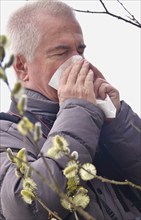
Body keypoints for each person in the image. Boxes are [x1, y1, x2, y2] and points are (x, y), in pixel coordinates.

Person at [0, 0, 141, 219]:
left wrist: (118, 123)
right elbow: (26, 207)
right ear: (22, 67)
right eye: (61, 52)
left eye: (80, 51)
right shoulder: (7, 134)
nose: (78, 63)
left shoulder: (99, 123)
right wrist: (79, 109)